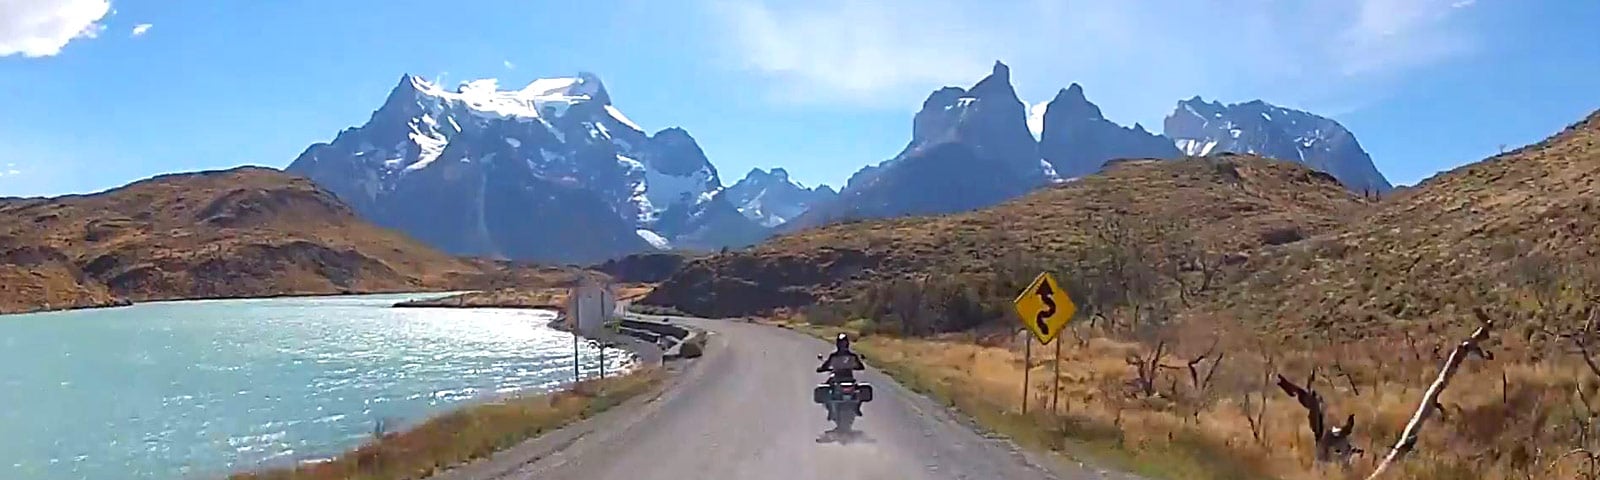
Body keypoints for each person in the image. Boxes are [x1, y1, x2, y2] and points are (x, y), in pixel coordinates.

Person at [817, 333, 866, 420]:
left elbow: (825, 366)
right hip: (849, 379)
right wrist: (854, 366)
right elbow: (860, 366)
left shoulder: (834, 356)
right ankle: (856, 408)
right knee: (858, 391)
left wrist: (822, 369)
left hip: (837, 379)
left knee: (827, 390)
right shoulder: (852, 356)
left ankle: (831, 411)